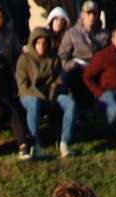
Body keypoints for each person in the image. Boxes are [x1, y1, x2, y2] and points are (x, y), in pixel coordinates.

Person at [16, 27, 76, 158]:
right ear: (33, 43)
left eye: (44, 43)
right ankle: (35, 145)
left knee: (69, 103)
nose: (41, 46)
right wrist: (41, 95)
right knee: (33, 103)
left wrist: (53, 91)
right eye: (38, 43)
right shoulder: (24, 59)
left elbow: (59, 80)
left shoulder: (54, 59)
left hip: (51, 95)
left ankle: (65, 143)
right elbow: (23, 86)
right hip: (30, 95)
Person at [58, 1, 109, 109]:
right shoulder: (71, 33)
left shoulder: (104, 34)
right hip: (78, 69)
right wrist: (72, 64)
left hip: (98, 69)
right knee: (70, 76)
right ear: (82, 14)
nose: (91, 17)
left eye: (94, 14)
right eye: (88, 13)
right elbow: (62, 56)